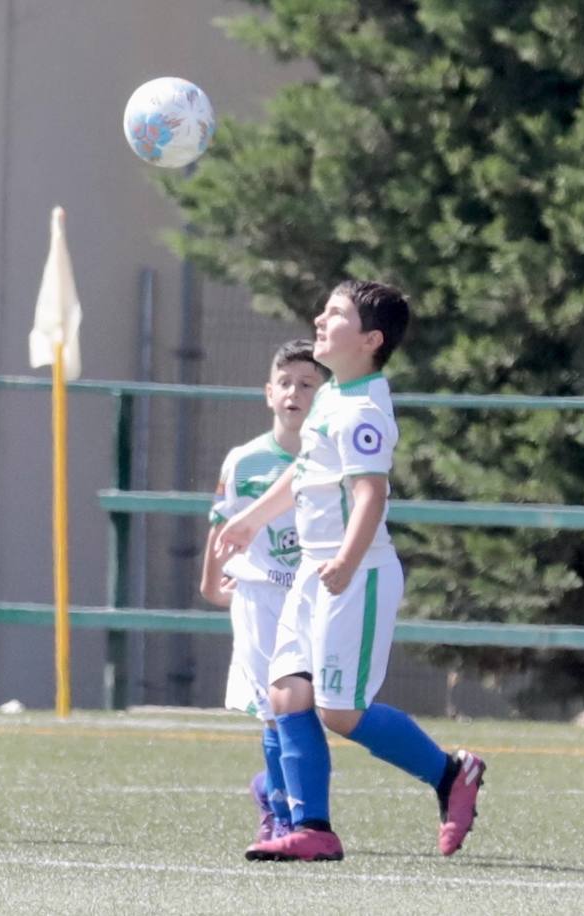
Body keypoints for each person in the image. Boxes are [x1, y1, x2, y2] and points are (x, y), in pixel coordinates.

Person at [217, 281, 485, 862]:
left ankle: (450, 774)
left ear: (370, 340)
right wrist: (250, 522)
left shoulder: (364, 407)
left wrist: (344, 558)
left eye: (334, 313)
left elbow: (370, 493)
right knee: (286, 693)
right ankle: (313, 828)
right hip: (317, 572)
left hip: (355, 574)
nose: (318, 318)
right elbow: (304, 474)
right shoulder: (334, 395)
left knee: (339, 711)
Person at [200, 340, 328, 845]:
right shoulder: (245, 460)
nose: (295, 392)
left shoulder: (330, 460)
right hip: (259, 597)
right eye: (286, 383)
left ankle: (282, 796)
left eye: (308, 384)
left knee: (311, 707)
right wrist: (211, 583)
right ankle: (282, 812)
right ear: (268, 394)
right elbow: (221, 525)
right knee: (275, 711)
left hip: (315, 598)